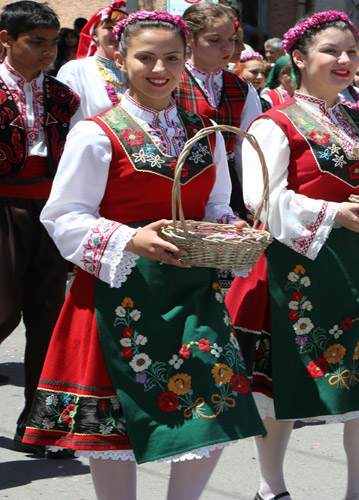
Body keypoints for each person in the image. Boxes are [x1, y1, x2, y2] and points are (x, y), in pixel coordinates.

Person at [21, 11, 264, 498]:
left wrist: (229, 227)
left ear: (186, 60)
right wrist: (131, 240)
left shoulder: (204, 131)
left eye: (171, 58)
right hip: (119, 294)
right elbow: (64, 215)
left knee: (211, 410)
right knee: (116, 423)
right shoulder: (96, 133)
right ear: (120, 58)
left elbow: (216, 204)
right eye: (146, 57)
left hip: (192, 292)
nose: (159, 69)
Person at [225, 11, 359, 500]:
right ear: (298, 58)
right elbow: (261, 201)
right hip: (294, 270)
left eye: (352, 51)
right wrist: (333, 213)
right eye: (331, 50)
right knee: (281, 386)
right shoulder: (274, 123)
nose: (345, 60)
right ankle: (271, 487)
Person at [0, 0, 79, 460]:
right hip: (2, 207)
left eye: (53, 42)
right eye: (36, 42)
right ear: (6, 40)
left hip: (52, 211)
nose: (48, 51)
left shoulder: (64, 96)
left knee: (49, 320)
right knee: (2, 313)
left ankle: (40, 426)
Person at [174, 2, 262, 222]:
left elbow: (247, 148)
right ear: (190, 39)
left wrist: (253, 199)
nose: (226, 48)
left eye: (231, 39)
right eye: (214, 40)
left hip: (229, 182)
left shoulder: (241, 87)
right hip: (182, 178)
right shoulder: (172, 82)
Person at [58, 0, 128, 126]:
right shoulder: (75, 70)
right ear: (95, 34)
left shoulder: (134, 71)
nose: (117, 32)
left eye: (122, 28)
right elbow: (61, 118)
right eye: (109, 27)